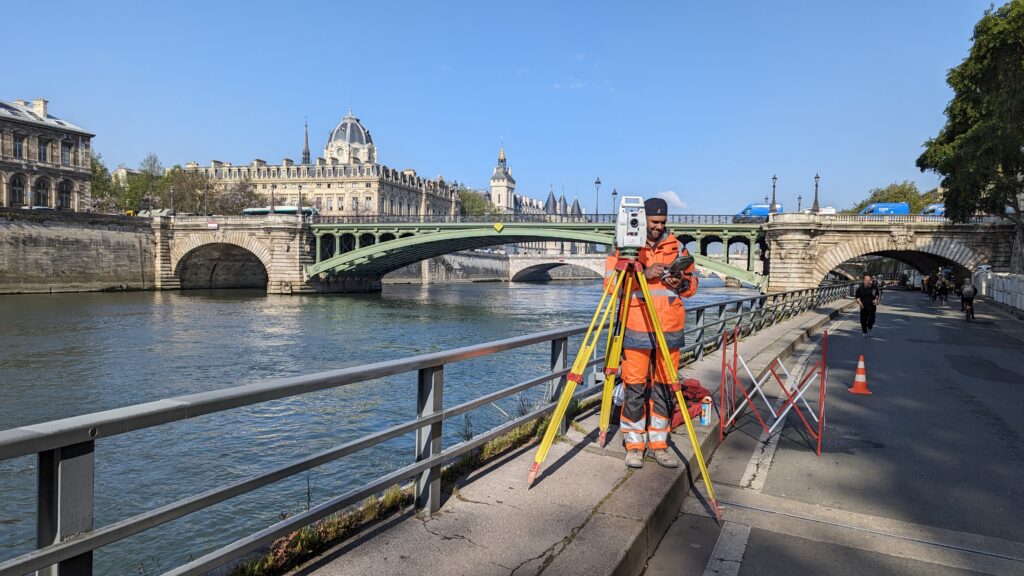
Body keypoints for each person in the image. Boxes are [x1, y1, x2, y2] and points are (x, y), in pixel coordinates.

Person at [607, 197, 698, 469]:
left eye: (662, 222)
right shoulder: (626, 248)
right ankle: (634, 445)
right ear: (642, 219)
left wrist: (680, 281)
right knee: (634, 388)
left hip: (669, 329)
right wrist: (643, 274)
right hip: (636, 326)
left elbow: (692, 288)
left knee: (664, 389)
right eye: (654, 222)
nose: (658, 227)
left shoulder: (678, 248)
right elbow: (611, 286)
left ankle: (659, 444)